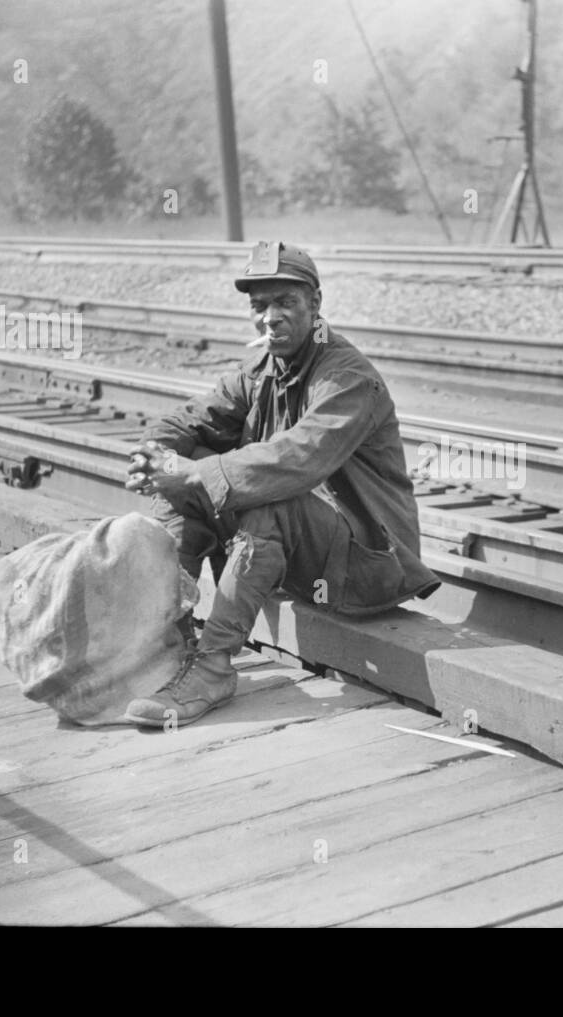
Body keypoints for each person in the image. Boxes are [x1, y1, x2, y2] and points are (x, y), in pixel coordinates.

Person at [123, 240, 440, 727]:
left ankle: (212, 669)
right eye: (259, 306)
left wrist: (194, 473)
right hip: (310, 554)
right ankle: (174, 645)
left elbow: (298, 459)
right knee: (189, 471)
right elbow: (191, 419)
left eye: (285, 303)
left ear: (316, 305)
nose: (270, 318)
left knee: (261, 494)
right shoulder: (261, 371)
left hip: (368, 562)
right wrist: (155, 453)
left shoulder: (346, 376)